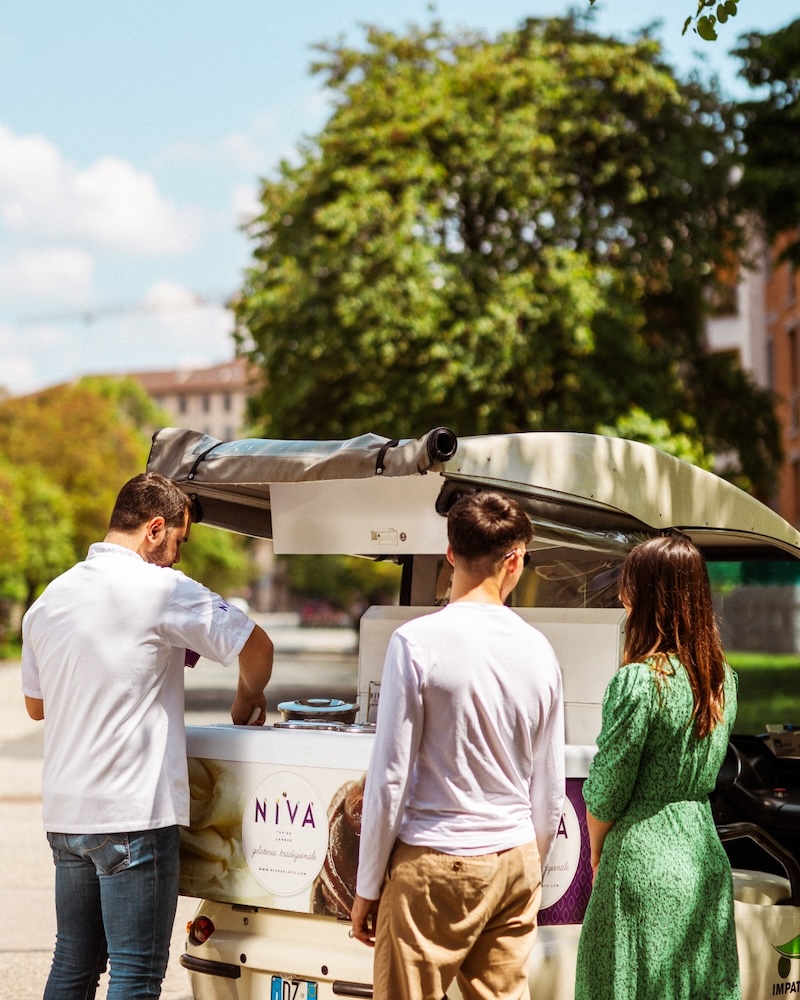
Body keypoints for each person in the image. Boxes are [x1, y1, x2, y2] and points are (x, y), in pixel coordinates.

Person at [21, 472, 274, 1000]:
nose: (178, 558)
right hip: (133, 817)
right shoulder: (161, 589)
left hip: (67, 818)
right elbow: (256, 647)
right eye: (178, 542)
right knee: (135, 977)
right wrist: (247, 699)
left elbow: (36, 705)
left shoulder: (50, 600)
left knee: (73, 964)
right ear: (155, 529)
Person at [351, 490, 565, 1000]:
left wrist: (367, 886)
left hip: (432, 860)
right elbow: (549, 787)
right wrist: (527, 866)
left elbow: (389, 778)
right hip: (513, 859)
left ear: (450, 553)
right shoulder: (540, 651)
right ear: (514, 561)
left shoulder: (415, 643)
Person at [575, 533, 740, 1000]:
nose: (622, 596)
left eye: (628, 586)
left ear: (647, 596)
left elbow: (607, 789)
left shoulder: (638, 682)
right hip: (704, 856)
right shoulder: (723, 682)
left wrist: (596, 853)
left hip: (640, 860)